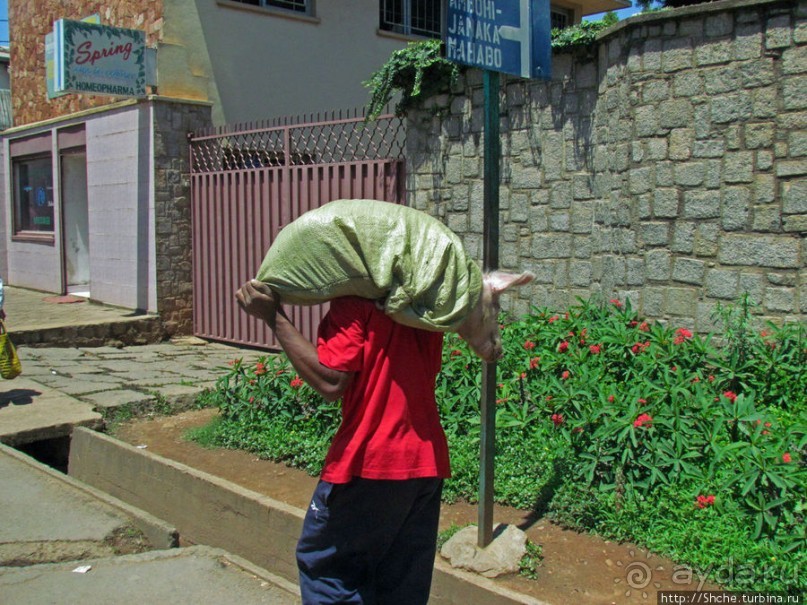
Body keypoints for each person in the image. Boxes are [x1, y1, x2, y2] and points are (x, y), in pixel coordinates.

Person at [235, 279, 450, 605]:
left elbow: (331, 380)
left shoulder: (355, 300)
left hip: (368, 463)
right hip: (425, 462)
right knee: (401, 581)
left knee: (327, 568)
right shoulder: (425, 298)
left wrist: (274, 316)